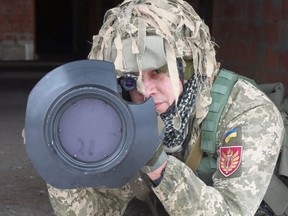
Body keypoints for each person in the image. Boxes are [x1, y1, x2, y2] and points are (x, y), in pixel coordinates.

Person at [47, 0, 285, 215]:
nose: (144, 90)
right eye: (131, 79)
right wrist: (60, 166)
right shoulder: (132, 110)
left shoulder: (248, 112)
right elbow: (102, 209)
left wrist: (158, 163)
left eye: (157, 72)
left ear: (188, 68)